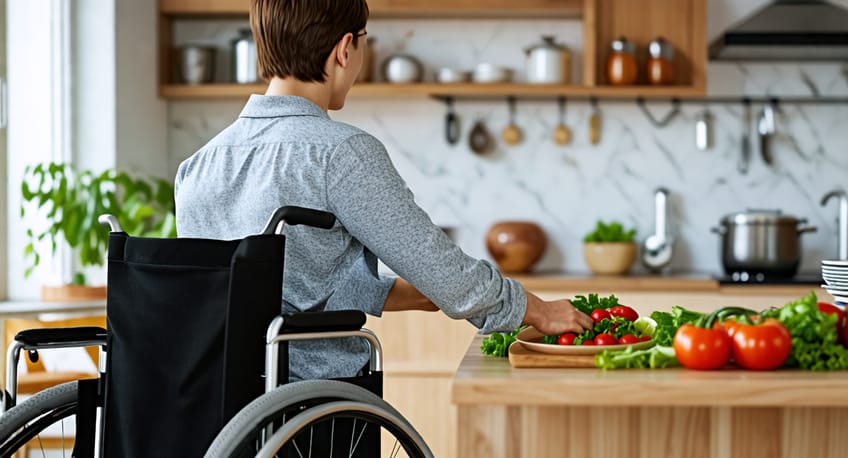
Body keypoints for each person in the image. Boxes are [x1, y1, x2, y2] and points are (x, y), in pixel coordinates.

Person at [174, 0, 593, 380]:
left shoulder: (197, 167)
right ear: (344, 49)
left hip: (216, 403)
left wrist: (413, 292)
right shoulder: (340, 154)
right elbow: (441, 269)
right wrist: (538, 310)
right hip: (315, 404)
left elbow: (287, 288)